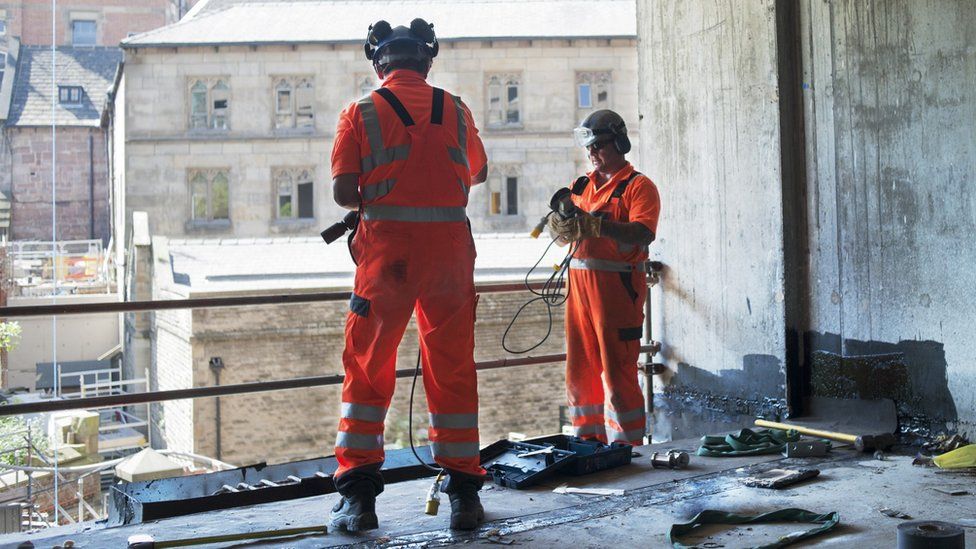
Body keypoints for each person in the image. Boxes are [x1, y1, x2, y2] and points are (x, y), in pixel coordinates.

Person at [328, 18, 489, 532]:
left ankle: (358, 500)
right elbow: (478, 170)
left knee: (368, 370)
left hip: (389, 259)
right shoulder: (456, 109)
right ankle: (464, 495)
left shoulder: (359, 112)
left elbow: (343, 193)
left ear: (379, 64)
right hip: (449, 257)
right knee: (453, 369)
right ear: (426, 61)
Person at [548, 109, 661, 447]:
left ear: (619, 143)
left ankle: (628, 447)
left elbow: (642, 234)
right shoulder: (580, 186)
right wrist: (560, 226)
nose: (593, 154)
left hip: (618, 295)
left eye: (599, 146)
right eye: (590, 148)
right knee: (580, 373)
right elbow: (565, 235)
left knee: (618, 373)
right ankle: (588, 442)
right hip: (580, 294)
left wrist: (598, 225)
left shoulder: (639, 187)